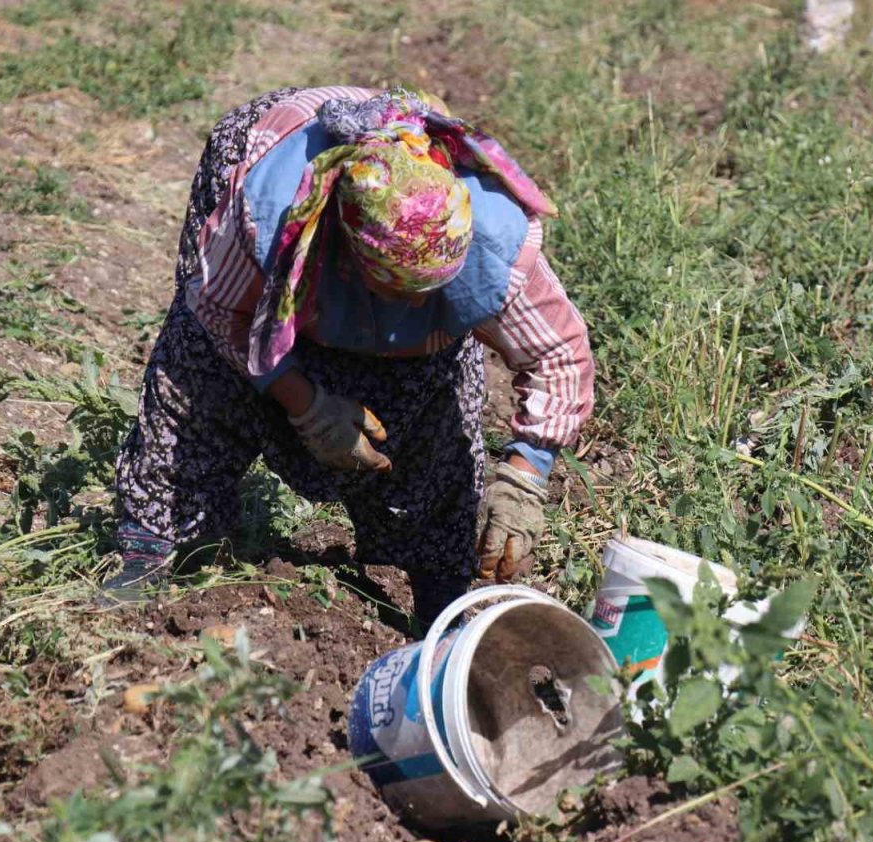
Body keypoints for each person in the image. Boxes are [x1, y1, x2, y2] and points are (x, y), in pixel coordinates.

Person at [104, 86, 594, 625]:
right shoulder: (263, 218)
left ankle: (440, 597)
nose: (413, 304)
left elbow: (559, 356)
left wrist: (525, 475)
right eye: (399, 289)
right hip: (276, 178)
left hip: (392, 242)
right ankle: (153, 547)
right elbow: (223, 314)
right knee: (205, 376)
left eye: (428, 291)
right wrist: (306, 403)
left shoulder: (485, 243)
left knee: (437, 411)